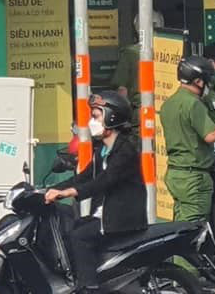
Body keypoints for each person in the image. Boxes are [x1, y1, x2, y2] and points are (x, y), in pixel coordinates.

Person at [44, 91, 146, 293]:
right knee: (68, 227)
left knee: (79, 236)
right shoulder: (103, 150)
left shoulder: (126, 150)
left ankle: (89, 287)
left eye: (96, 116)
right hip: (104, 215)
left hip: (120, 218)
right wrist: (51, 189)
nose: (92, 121)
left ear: (111, 117)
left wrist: (70, 192)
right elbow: (84, 176)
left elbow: (104, 182)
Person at [160, 56, 215, 223]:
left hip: (175, 174)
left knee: (180, 223)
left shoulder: (168, 104)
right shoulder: (193, 104)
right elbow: (211, 136)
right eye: (207, 82)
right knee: (195, 227)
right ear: (199, 82)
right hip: (194, 177)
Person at [111, 10, 165, 117]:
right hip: (166, 109)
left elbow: (122, 89)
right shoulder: (172, 50)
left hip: (141, 112)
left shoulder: (129, 53)